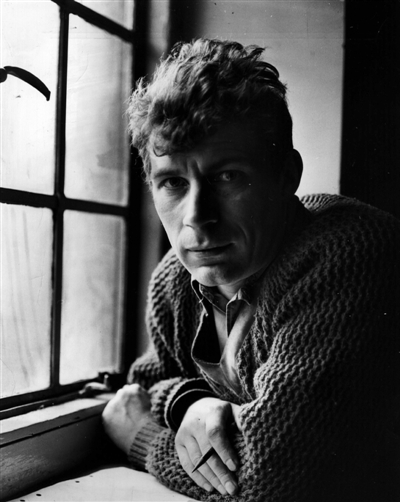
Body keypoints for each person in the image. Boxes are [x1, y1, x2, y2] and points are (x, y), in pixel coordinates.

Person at [102, 39, 400, 501]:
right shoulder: (175, 279)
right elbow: (145, 384)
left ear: (287, 176)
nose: (198, 217)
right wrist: (188, 402)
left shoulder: (349, 253)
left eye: (228, 177)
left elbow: (273, 479)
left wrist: (142, 438)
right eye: (173, 183)